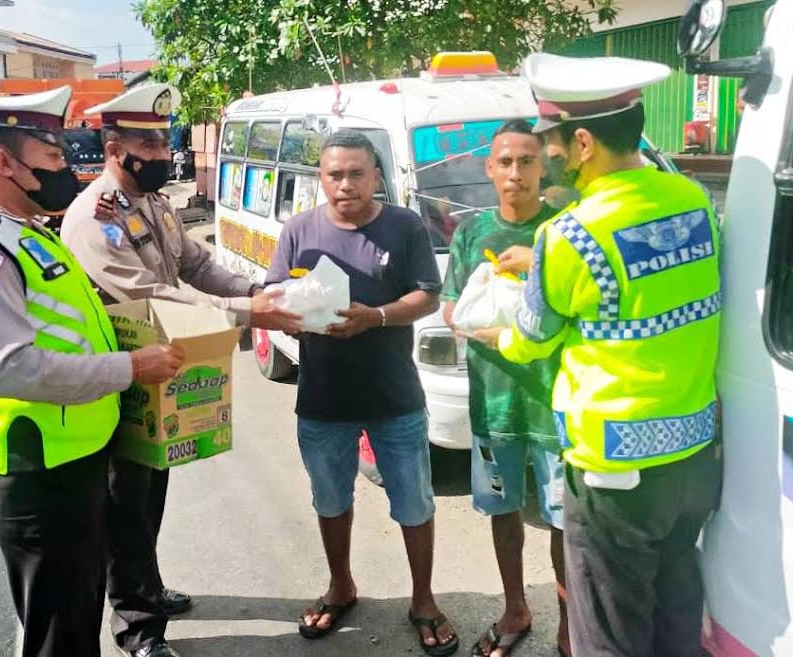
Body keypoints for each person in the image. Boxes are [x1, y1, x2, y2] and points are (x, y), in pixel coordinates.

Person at [476, 53, 723, 657]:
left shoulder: (568, 236)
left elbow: (532, 334)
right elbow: (645, 274)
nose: (549, 157)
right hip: (693, 454)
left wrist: (493, 333)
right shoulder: (691, 198)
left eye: (552, 143)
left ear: (583, 142)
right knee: (676, 615)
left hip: (616, 472)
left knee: (610, 634)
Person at [0, 87, 184, 657]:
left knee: (78, 609)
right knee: (57, 630)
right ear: (4, 163)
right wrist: (131, 367)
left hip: (75, 455)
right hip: (37, 466)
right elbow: (13, 369)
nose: (67, 169)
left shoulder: (33, 233)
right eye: (53, 158)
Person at [60, 83, 301, 657]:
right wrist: (250, 311)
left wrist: (257, 289)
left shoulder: (154, 204)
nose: (167, 157)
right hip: (121, 377)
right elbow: (156, 296)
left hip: (159, 374)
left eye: (166, 144)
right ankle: (138, 630)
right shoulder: (95, 219)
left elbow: (195, 265)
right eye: (154, 147)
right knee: (124, 507)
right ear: (117, 150)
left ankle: (147, 585)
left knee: (150, 493)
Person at [265, 130, 459, 656]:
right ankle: (340, 586)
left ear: (376, 175)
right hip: (324, 399)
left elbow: (427, 295)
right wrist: (296, 316)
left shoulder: (404, 226)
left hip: (394, 397)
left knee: (415, 503)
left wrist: (375, 317)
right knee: (330, 500)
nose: (345, 184)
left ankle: (423, 600)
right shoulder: (299, 230)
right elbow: (273, 296)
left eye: (356, 173)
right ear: (320, 178)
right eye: (334, 174)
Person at [441, 119, 569, 657]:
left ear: (544, 167)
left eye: (527, 161)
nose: (516, 173)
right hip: (493, 403)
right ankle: (516, 608)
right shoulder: (472, 234)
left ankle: (570, 624)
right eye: (505, 162)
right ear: (489, 169)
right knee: (504, 512)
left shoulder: (565, 229)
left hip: (557, 404)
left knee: (565, 521)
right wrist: (473, 317)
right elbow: (451, 307)